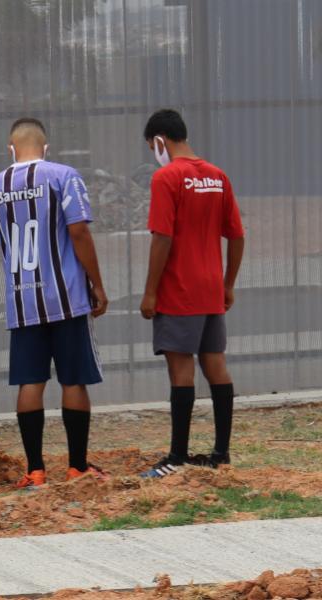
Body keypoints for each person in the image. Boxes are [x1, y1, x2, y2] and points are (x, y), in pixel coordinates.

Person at [0, 118, 108, 489]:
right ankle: (77, 467)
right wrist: (97, 283)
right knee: (73, 379)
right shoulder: (64, 176)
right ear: (45, 148)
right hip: (66, 299)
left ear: (10, 149)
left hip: (23, 302)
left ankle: (36, 471)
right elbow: (78, 231)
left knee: (31, 382)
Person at [139, 109, 245, 478]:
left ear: (159, 142)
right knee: (215, 363)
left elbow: (162, 237)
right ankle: (221, 453)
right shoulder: (217, 176)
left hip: (179, 290)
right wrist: (228, 283)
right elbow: (236, 235)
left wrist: (150, 291)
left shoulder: (166, 177)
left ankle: (176, 457)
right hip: (211, 288)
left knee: (180, 368)